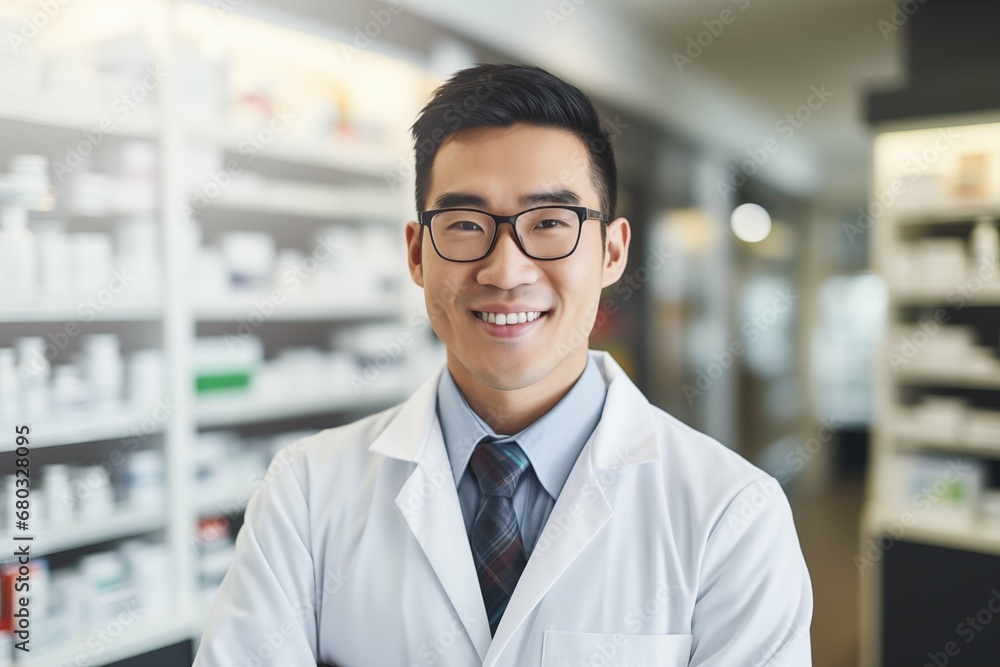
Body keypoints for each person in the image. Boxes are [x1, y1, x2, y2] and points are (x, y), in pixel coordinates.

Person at [193, 63, 813, 667]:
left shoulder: (731, 517)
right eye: (465, 224)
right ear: (416, 253)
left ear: (613, 252)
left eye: (550, 223)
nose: (506, 271)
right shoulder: (305, 493)